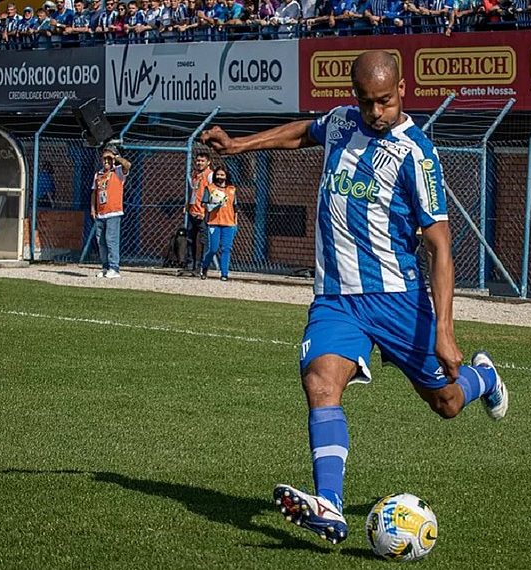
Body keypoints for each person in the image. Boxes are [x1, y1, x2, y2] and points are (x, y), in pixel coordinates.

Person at [200, 50, 508, 545]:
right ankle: (331, 505)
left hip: (399, 300)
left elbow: (441, 246)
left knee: (446, 402)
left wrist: (447, 334)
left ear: (402, 89)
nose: (375, 112)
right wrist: (239, 145)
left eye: (384, 102)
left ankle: (484, 375)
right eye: (366, 102)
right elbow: (304, 132)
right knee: (321, 381)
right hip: (336, 297)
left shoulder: (416, 154)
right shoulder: (342, 123)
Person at [91, 145, 131, 279]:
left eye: (109, 159)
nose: (106, 162)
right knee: (100, 241)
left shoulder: (118, 172)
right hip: (101, 212)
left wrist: (116, 157)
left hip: (113, 212)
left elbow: (128, 165)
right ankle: (105, 266)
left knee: (111, 240)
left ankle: (114, 267)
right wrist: (93, 208)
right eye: (104, 159)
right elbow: (94, 192)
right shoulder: (98, 174)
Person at [198, 166, 237, 281]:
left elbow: (235, 208)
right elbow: (204, 203)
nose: (220, 177)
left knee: (226, 249)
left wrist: (235, 223)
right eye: (218, 175)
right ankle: (204, 267)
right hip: (214, 222)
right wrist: (212, 205)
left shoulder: (232, 189)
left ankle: (224, 274)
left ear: (226, 176)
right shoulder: (210, 188)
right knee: (213, 249)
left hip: (229, 223)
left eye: (222, 175)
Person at [182, 151, 212, 276]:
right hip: (192, 211)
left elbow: (212, 194)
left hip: (203, 213)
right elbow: (193, 192)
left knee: (204, 241)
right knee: (190, 239)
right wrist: (187, 206)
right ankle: (190, 265)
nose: (199, 163)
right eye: (198, 160)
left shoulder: (210, 175)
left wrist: (206, 210)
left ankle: (201, 267)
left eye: (202, 161)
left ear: (208, 162)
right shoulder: (195, 174)